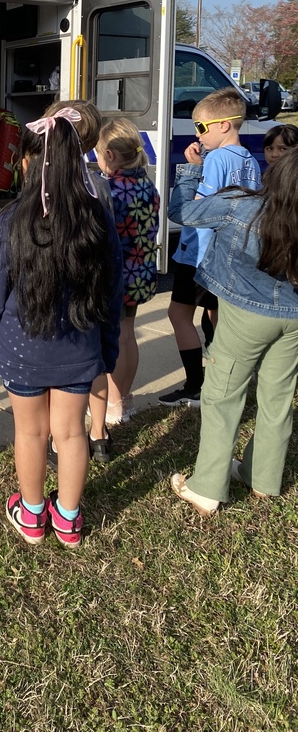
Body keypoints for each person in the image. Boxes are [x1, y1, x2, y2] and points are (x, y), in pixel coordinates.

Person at [0, 109, 123, 548]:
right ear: (79, 162)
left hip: (22, 350)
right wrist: (106, 354)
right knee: (71, 433)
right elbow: (113, 296)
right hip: (80, 349)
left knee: (30, 433)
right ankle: (69, 520)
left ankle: (32, 514)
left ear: (28, 163)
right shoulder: (96, 219)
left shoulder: (10, 220)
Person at [168, 149, 298, 515]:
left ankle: (207, 488)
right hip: (294, 317)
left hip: (245, 312)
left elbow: (181, 213)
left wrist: (191, 169)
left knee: (222, 396)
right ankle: (263, 478)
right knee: (277, 398)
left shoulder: (238, 204)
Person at [160, 88, 261, 409]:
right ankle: (226, 384)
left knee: (178, 315)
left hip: (200, 256)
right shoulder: (250, 160)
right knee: (216, 318)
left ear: (225, 125)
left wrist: (193, 168)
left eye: (201, 127)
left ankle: (196, 385)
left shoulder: (216, 158)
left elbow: (196, 208)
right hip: (230, 254)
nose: (197, 134)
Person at [42, 99, 114, 464]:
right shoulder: (100, 185)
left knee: (63, 377)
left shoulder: (45, 183)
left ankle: (61, 440)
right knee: (96, 363)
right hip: (93, 295)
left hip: (59, 297)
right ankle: (98, 433)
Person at [95, 119, 160, 427]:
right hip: (141, 271)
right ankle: (126, 396)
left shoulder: (110, 190)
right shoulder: (148, 184)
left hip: (116, 276)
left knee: (114, 339)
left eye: (96, 152)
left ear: (109, 154)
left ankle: (114, 402)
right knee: (128, 335)